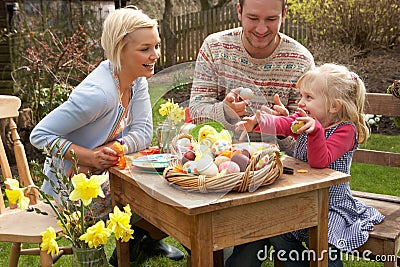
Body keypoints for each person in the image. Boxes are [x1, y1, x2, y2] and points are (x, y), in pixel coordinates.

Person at [29, 6, 184, 266]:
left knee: (165, 183)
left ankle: (143, 241)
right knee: (156, 193)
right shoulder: (98, 94)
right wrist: (89, 156)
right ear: (120, 49)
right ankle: (134, 243)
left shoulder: (137, 79)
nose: (155, 55)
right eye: (145, 49)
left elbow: (144, 133)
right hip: (69, 188)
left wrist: (115, 146)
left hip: (102, 175)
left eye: (156, 46)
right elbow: (40, 135)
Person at [234, 63, 385, 266]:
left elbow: (320, 161)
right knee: (279, 231)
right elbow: (284, 124)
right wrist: (258, 121)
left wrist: (315, 132)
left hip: (330, 204)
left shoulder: (345, 131)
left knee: (326, 241)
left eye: (309, 97)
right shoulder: (308, 118)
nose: (301, 103)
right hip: (301, 196)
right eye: (302, 96)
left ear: (334, 106)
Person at [189, 0, 315, 153]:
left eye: (271, 19)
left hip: (277, 166)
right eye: (253, 18)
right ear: (239, 11)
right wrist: (226, 112)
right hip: (219, 161)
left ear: (284, 14)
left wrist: (283, 127)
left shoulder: (301, 61)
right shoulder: (214, 48)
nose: (261, 29)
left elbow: (306, 146)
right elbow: (196, 112)